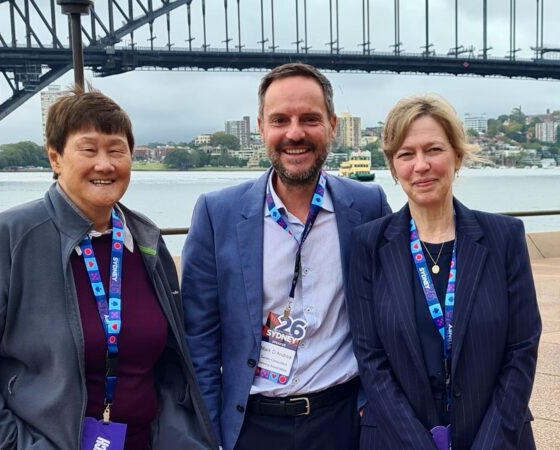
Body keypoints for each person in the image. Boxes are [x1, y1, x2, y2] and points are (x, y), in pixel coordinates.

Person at [0, 87, 218, 450]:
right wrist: (10, 444)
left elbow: (170, 362)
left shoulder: (144, 238)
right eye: (88, 149)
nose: (105, 164)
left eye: (117, 149)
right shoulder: (14, 236)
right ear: (55, 158)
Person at [181, 62, 391, 450]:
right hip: (251, 428)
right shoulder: (217, 214)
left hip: (344, 422)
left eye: (309, 119)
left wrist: (371, 408)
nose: (295, 133)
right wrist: (211, 435)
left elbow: (391, 316)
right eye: (280, 120)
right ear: (261, 127)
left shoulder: (368, 206)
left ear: (331, 125)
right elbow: (200, 340)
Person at [347, 94, 541, 450]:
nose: (420, 165)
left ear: (457, 156)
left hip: (497, 437)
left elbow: (521, 349)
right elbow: (370, 359)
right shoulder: (368, 245)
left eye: (433, 149)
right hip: (396, 440)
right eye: (406, 154)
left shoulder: (504, 238)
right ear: (393, 166)